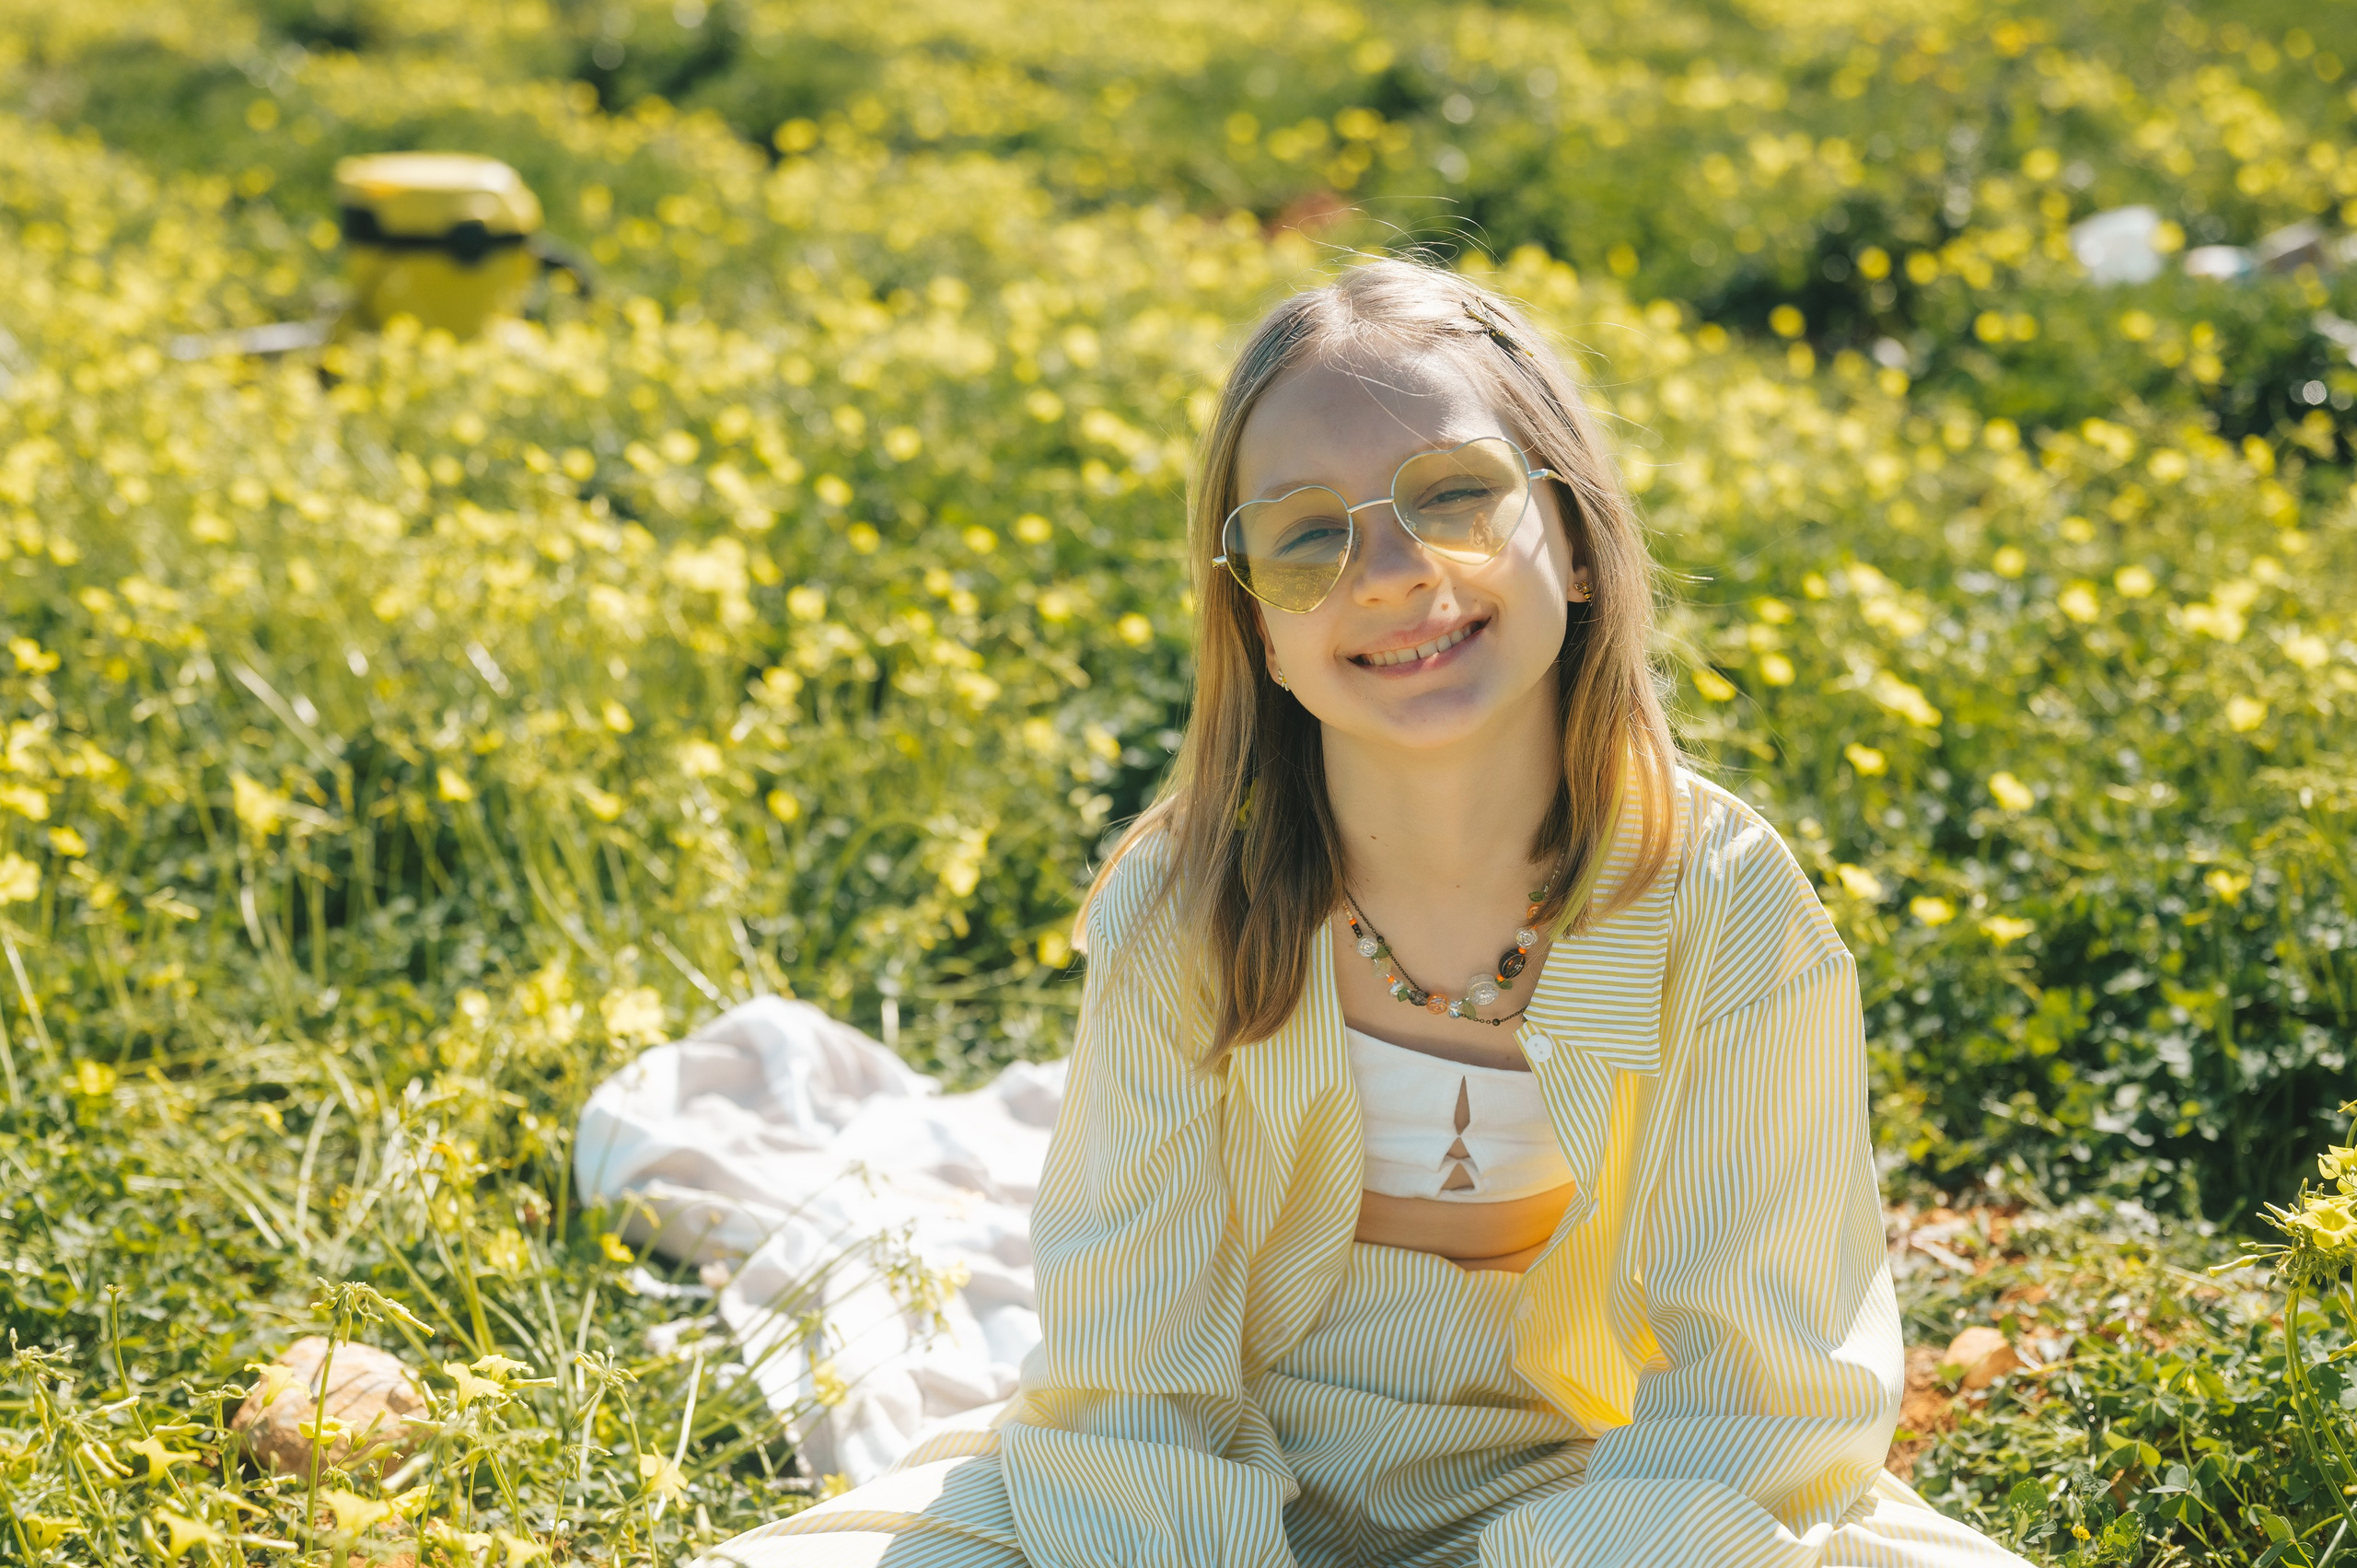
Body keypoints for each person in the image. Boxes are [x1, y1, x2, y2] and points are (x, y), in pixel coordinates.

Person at [707, 258, 2027, 1566]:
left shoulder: (1723, 904)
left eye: (1454, 494)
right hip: (1208, 1480)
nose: (1391, 572)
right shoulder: (1187, 909)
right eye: (1306, 535)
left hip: (1599, 1503)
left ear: (1572, 540)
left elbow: (1762, 1408)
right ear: (1260, 631)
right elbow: (1133, 1392)